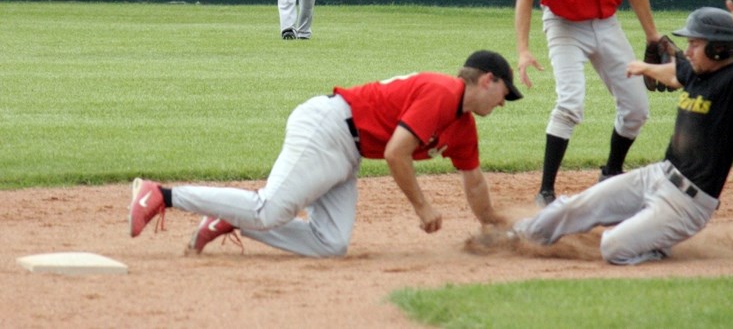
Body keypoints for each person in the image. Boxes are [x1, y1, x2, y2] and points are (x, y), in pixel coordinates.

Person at [129, 50, 523, 257]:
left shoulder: (464, 126)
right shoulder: (442, 92)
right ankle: (161, 195)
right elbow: (395, 153)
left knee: (330, 244)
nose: (505, 103)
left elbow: (474, 182)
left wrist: (494, 223)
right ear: (488, 80)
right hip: (329, 127)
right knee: (270, 209)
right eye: (506, 92)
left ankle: (229, 219)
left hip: (346, 152)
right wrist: (422, 206)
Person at [511, 0, 733, 264]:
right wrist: (643, 68)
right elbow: (676, 73)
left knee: (613, 247)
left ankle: (654, 245)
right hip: (657, 175)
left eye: (695, 44)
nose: (686, 51)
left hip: (687, 204)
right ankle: (515, 236)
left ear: (717, 49)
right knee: (576, 206)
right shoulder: (697, 74)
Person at [514, 0, 663, 207]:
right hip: (564, 25)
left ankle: (611, 172)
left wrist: (652, 35)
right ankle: (546, 191)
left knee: (638, 108)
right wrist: (523, 50)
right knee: (570, 104)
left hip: (607, 24)